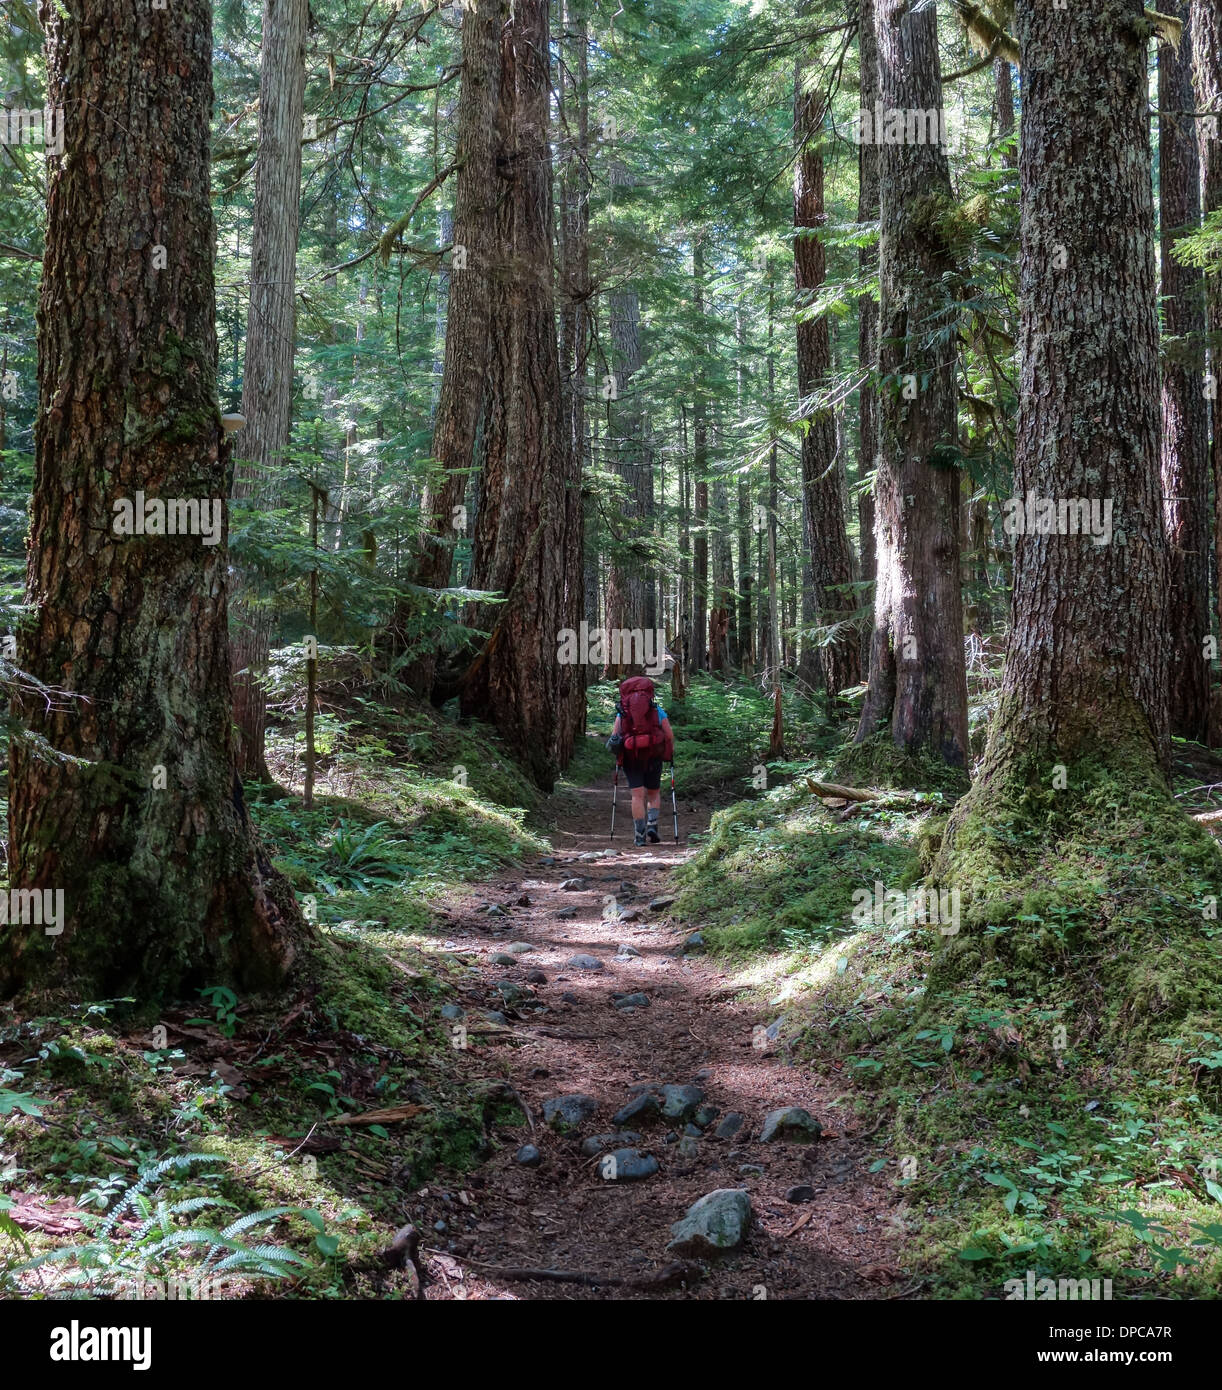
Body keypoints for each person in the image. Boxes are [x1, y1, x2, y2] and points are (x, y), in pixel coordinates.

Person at [606, 674, 673, 845]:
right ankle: (652, 824)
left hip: (631, 756)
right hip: (654, 755)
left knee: (637, 795)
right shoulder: (656, 710)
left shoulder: (623, 711)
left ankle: (639, 834)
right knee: (653, 793)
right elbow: (669, 735)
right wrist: (668, 753)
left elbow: (615, 736)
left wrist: (618, 754)